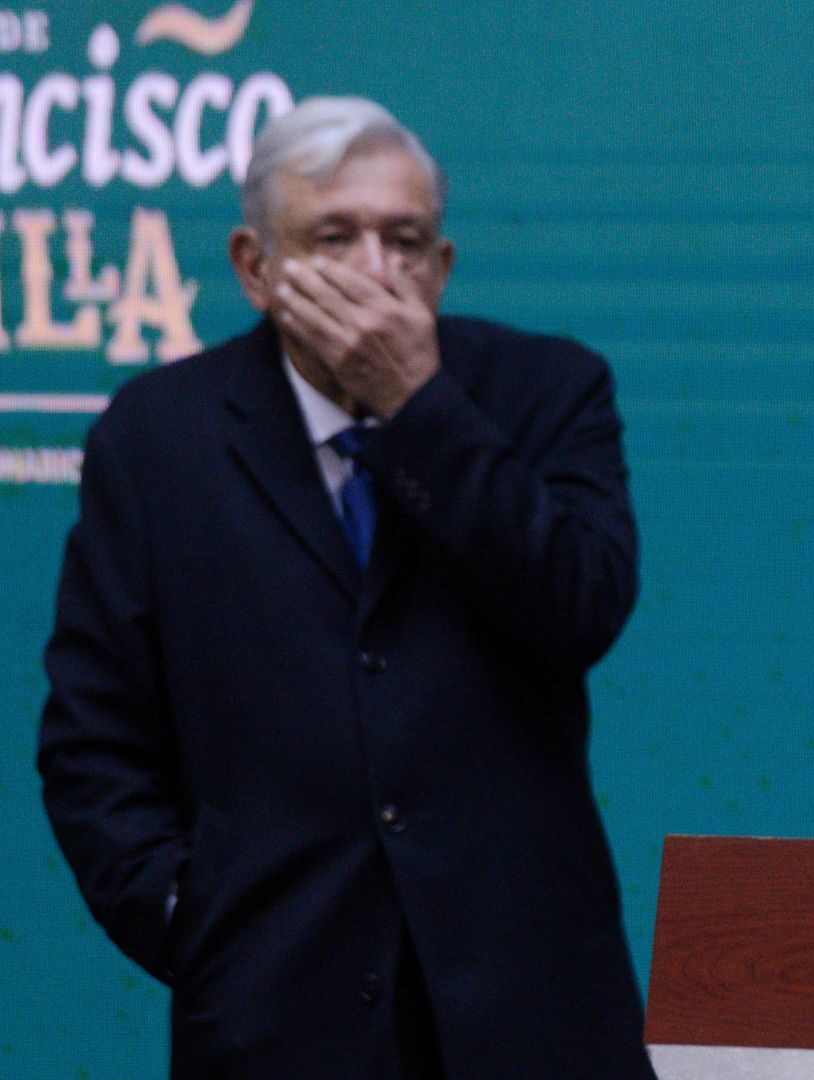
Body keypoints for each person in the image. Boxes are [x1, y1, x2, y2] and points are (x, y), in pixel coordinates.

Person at [38, 96, 657, 1079]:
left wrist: (422, 408)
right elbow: (92, 741)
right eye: (335, 237)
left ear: (442, 267)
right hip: (275, 1014)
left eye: (404, 240)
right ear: (255, 267)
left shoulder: (549, 392)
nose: (376, 271)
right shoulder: (157, 438)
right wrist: (186, 920)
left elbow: (580, 605)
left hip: (530, 1013)